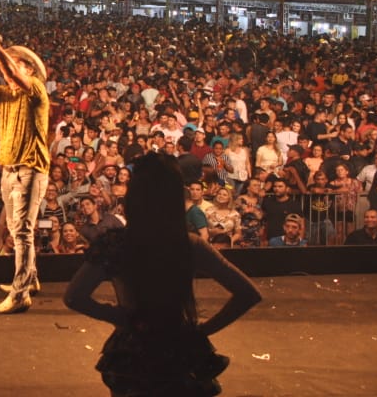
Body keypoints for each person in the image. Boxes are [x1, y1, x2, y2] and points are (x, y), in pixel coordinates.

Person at [64, 153, 261, 396]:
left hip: (133, 347)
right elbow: (248, 293)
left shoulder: (115, 243)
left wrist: (119, 316)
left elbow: (74, 296)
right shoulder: (188, 244)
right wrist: (202, 331)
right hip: (177, 345)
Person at [0, 16, 50, 314]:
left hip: (30, 168)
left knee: (22, 232)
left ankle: (20, 295)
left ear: (28, 70)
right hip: (9, 169)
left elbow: (14, 76)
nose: (10, 70)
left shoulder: (36, 90)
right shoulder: (6, 95)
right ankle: (30, 279)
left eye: (17, 64)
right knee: (19, 227)